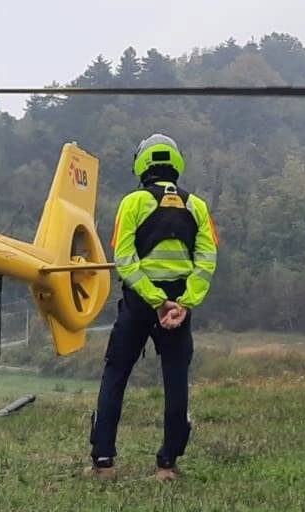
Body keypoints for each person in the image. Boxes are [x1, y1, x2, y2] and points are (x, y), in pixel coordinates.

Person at [88, 134, 219, 481]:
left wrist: (153, 299)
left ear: (142, 165)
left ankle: (103, 463)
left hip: (139, 304)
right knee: (176, 381)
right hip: (178, 308)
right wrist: (183, 304)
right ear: (176, 165)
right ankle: (167, 465)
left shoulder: (133, 202)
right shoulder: (198, 207)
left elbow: (124, 259)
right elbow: (206, 261)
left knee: (116, 375)